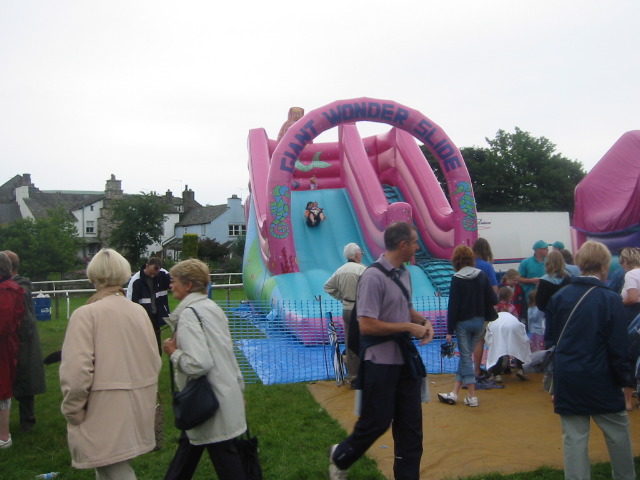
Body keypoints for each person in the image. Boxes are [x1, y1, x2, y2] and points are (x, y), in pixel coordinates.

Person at [328, 222, 433, 480]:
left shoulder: (405, 274)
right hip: (380, 362)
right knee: (377, 422)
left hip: (405, 362)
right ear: (402, 245)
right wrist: (408, 326)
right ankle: (341, 455)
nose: (418, 246)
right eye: (415, 242)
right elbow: (366, 324)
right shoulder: (373, 276)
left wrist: (422, 321)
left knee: (411, 429)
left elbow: (403, 308)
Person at [60, 249, 161, 478]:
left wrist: (72, 410)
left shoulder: (85, 315)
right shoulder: (138, 312)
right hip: (137, 403)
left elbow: (76, 373)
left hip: (101, 409)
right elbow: (154, 361)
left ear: (93, 276)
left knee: (115, 470)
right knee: (107, 468)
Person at [545, 241, 636, 480]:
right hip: (602, 377)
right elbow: (618, 347)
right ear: (604, 267)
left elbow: (551, 339)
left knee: (574, 439)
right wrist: (624, 380)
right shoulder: (610, 299)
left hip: (569, 376)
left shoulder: (559, 297)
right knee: (618, 435)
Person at [163, 259, 247, 480]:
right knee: (189, 450)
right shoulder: (212, 307)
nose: (171, 286)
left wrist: (174, 353)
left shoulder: (190, 315)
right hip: (219, 397)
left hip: (207, 402)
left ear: (188, 285)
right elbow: (228, 354)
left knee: (226, 461)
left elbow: (199, 364)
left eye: (174, 281)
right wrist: (239, 388)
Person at [438, 245, 498, 408]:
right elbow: (493, 299)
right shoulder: (481, 275)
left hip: (462, 324)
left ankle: (472, 395)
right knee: (465, 357)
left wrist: (449, 330)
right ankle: (455, 392)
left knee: (465, 357)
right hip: (479, 322)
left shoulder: (456, 278)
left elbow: (453, 306)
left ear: (455, 260)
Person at [3, 251, 45, 433]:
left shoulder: (20, 286)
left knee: (25, 383)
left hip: (23, 341)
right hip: (9, 341)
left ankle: (27, 422)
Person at [324, 243, 367, 383]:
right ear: (356, 255)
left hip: (346, 309)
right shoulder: (363, 270)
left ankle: (353, 375)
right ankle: (366, 373)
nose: (361, 255)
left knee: (350, 342)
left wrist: (341, 297)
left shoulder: (340, 271)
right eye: (361, 253)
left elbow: (327, 287)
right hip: (360, 310)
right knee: (365, 341)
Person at [0, 252, 25, 449]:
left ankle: (3, 436)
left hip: (3, 348)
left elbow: (5, 324)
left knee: (2, 389)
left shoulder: (8, 291)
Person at [127, 257, 171, 353]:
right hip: (142, 318)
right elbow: (130, 302)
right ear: (146, 265)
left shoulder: (163, 275)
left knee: (157, 347)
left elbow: (174, 284)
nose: (152, 276)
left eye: (154, 274)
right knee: (143, 347)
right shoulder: (136, 280)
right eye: (150, 273)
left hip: (156, 317)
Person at [471, 238, 499, 380]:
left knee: (468, 340)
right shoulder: (487, 266)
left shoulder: (466, 265)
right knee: (481, 339)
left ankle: (467, 370)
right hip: (482, 308)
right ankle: (478, 369)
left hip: (467, 308)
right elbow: (494, 289)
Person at [485, 311, 531, 383]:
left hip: (497, 326)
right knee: (518, 347)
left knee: (497, 347)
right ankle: (522, 369)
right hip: (515, 325)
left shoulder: (492, 319)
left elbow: (490, 343)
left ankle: (496, 374)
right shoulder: (510, 313)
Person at [517, 240, 549, 321]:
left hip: (546, 297)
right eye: (545, 248)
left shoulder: (549, 262)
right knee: (530, 320)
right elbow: (518, 278)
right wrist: (531, 281)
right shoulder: (526, 262)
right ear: (538, 250)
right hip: (530, 298)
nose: (548, 250)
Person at [618, 247, 640, 324]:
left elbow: (632, 298)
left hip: (633, 312)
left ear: (626, 261)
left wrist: (619, 302)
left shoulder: (631, 274)